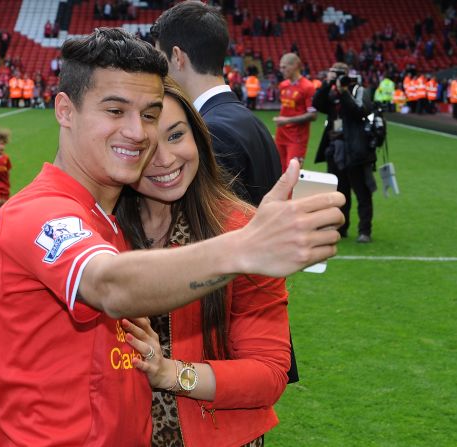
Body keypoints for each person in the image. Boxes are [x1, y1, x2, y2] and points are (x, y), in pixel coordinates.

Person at [0, 28, 345, 446]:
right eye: (115, 111)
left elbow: (267, 369)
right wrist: (245, 248)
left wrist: (168, 370)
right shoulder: (40, 211)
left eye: (150, 115)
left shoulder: (107, 221)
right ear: (65, 109)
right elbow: (109, 284)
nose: (138, 132)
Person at [116, 77, 291, 446]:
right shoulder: (99, 228)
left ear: (199, 137)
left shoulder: (241, 229)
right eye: (145, 144)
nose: (164, 159)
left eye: (176, 135)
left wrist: (169, 373)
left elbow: (269, 373)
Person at [150, 0, 299, 383]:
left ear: (177, 57)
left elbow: (201, 234)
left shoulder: (212, 132)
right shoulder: (247, 121)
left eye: (159, 58)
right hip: (252, 315)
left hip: (222, 333)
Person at [313, 62, 376, 243]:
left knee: (362, 192)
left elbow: (360, 111)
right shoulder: (331, 92)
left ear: (347, 74)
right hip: (335, 149)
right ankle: (342, 227)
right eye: (333, 73)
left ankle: (365, 230)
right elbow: (317, 104)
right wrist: (327, 84)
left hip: (356, 150)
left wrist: (345, 91)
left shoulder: (359, 91)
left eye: (339, 74)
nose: (337, 77)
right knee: (340, 192)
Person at [273, 52, 317, 172]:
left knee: (292, 173)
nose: (281, 70)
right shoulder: (283, 85)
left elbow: (313, 115)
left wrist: (287, 120)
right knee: (278, 170)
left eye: (284, 67)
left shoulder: (308, 87)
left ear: (295, 65)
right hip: (281, 134)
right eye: (280, 67)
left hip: (297, 137)